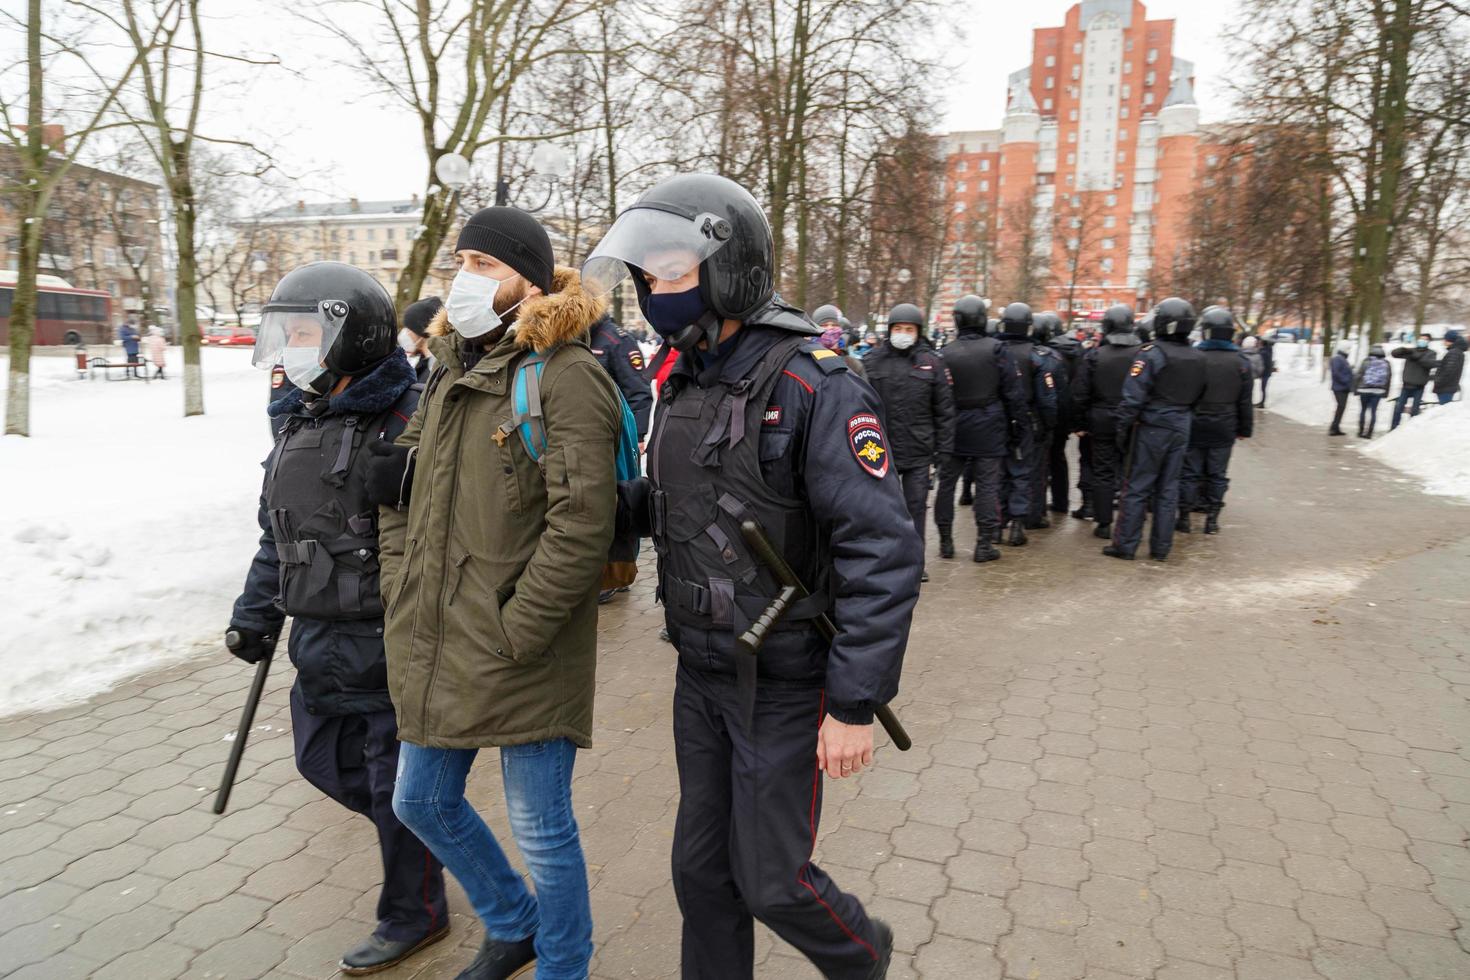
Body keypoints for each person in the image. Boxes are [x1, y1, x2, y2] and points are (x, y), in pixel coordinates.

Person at [585, 172, 920, 979]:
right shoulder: (683, 376)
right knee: (701, 874)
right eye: (651, 275)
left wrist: (853, 701)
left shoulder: (815, 382)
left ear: (728, 266)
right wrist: (596, 508)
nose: (657, 290)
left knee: (773, 880)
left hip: (783, 676)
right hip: (700, 669)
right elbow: (680, 503)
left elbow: (881, 549)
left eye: (674, 270)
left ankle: (860, 952)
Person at [371, 206, 621, 980]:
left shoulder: (568, 375)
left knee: (541, 827)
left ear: (530, 279)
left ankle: (564, 963)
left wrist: (522, 627)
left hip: (523, 642)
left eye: (485, 263)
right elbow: (399, 495)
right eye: (463, 261)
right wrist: (399, 586)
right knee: (419, 801)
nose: (466, 277)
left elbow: (581, 523)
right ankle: (513, 923)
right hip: (440, 631)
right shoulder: (448, 371)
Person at [229, 262, 447, 976]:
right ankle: (432, 840)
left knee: (393, 793)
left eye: (305, 333)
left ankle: (413, 909)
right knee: (321, 763)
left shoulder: (410, 418)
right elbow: (278, 533)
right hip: (316, 642)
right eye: (284, 335)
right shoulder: (299, 418)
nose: (293, 350)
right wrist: (255, 611)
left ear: (350, 335)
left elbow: (453, 532)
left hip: (388, 645)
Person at [1103, 297, 1206, 562]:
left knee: (1137, 487)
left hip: (1153, 427)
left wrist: (1123, 430)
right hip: (1181, 424)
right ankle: (1161, 548)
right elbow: (1200, 394)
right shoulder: (1197, 355)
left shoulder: (1152, 353)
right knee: (1168, 488)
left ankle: (1126, 545)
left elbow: (1133, 396)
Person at [861, 302, 955, 581]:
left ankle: (914, 563)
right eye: (898, 329)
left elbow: (945, 410)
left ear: (917, 332)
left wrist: (944, 450)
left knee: (916, 507)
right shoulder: (872, 361)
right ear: (890, 330)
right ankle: (882, 561)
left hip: (919, 450)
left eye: (909, 329)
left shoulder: (932, 363)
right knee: (880, 510)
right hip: (879, 449)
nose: (903, 333)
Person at [936, 295, 1029, 563]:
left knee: (947, 485)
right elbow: (1013, 392)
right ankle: (984, 543)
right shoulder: (997, 349)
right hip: (989, 423)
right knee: (988, 486)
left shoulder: (945, 351)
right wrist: (1019, 427)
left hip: (954, 424)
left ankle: (945, 541)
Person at [1178, 307, 1252, 535]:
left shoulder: (1194, 357)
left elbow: (1184, 392)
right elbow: (1245, 400)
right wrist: (1244, 429)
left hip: (1196, 422)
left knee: (1190, 472)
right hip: (1225, 423)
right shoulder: (1240, 361)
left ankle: (1184, 517)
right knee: (1217, 473)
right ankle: (1212, 519)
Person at [1072, 305, 1142, 540]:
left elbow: (1080, 393)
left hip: (1102, 420)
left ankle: (1104, 523)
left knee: (1102, 471)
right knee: (1131, 470)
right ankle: (1130, 520)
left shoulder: (1094, 355)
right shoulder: (1144, 354)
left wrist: (1079, 423)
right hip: (1133, 419)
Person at [995, 302, 1057, 545]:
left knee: (998, 473)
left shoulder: (995, 351)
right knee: (1021, 472)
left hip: (999, 419)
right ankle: (1017, 525)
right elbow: (1048, 398)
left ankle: (998, 523)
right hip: (1026, 421)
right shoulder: (1038, 356)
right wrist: (1048, 425)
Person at [1037, 312, 1081, 517]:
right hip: (1068, 411)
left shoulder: (1047, 354)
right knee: (1059, 457)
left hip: (1049, 410)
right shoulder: (1076, 350)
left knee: (1043, 458)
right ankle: (1061, 501)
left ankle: (1039, 506)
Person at [1391, 333, 1438, 429]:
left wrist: (1416, 356)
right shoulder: (1411, 351)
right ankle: (1394, 428)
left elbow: (1429, 364)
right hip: (1406, 385)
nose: (1422, 341)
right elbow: (1394, 354)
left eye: (1425, 339)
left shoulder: (1431, 353)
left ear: (1428, 342)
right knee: (1398, 408)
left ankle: (1411, 429)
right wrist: (1402, 349)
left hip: (1419, 386)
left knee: (1415, 410)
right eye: (1421, 339)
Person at [399, 295, 442, 383]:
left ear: (422, 331)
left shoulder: (435, 370)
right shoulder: (424, 363)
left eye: (409, 329)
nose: (407, 333)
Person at [1352, 344, 1391, 437]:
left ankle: (1361, 431)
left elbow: (1359, 375)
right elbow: (1388, 378)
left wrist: (1355, 389)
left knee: (1363, 410)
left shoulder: (1366, 361)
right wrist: (1386, 392)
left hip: (1364, 390)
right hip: (1378, 391)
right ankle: (1369, 433)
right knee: (1373, 411)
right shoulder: (1386, 363)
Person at [1329, 342, 1354, 436]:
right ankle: (1333, 428)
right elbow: (1336, 373)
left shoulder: (1342, 359)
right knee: (1341, 407)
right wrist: (1346, 380)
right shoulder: (1337, 359)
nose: (1349, 351)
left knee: (1341, 407)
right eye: (1348, 349)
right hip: (1339, 387)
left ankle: (1336, 427)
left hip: (1344, 388)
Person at [1434, 330, 1464, 405]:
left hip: (1446, 388)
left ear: (1449, 340)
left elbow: (1448, 371)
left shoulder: (1454, 352)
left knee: (1443, 411)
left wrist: (1438, 381)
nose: (1443, 341)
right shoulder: (1456, 351)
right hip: (1448, 387)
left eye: (1445, 339)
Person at [1257, 332, 1276, 406]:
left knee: (1263, 388)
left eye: (1260, 342)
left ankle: (1262, 403)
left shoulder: (1263, 352)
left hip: (1265, 373)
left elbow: (1262, 362)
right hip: (1267, 372)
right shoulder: (1268, 350)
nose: (1259, 343)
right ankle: (1262, 402)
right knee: (1263, 388)